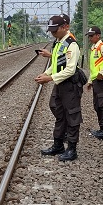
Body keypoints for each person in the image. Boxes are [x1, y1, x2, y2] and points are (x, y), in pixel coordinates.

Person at [34, 14, 84, 161]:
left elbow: (69, 69)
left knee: (72, 115)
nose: (52, 33)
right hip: (60, 83)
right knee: (57, 109)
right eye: (51, 30)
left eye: (55, 30)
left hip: (70, 85)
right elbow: (56, 63)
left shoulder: (71, 45)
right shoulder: (58, 42)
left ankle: (72, 149)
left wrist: (49, 78)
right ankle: (58, 144)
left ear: (66, 27)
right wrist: (45, 73)